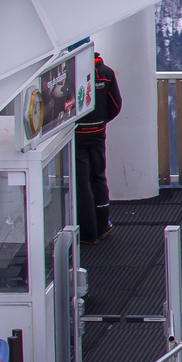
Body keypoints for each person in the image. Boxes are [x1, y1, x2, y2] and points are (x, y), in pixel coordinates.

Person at [75, 51, 122, 243]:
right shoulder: (106, 73)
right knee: (98, 177)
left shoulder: (72, 74)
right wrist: (102, 120)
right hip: (97, 132)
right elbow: (116, 105)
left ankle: (88, 232)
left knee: (82, 181)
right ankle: (103, 225)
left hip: (77, 133)